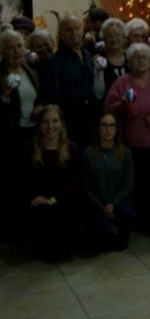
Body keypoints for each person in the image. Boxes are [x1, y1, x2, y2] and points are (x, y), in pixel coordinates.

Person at [105, 42, 150, 231]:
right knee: (134, 183)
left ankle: (149, 218)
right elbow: (109, 108)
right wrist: (123, 104)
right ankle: (135, 219)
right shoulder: (122, 82)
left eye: (144, 57)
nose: (141, 60)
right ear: (129, 62)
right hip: (130, 143)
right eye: (136, 58)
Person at [22, 105, 80, 263]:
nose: (50, 126)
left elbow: (76, 181)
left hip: (63, 200)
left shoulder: (71, 148)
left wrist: (55, 199)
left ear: (61, 123)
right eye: (45, 122)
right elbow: (22, 180)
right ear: (39, 124)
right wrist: (32, 199)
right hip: (39, 201)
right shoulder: (28, 149)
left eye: (55, 121)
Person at [0, 29, 42, 241]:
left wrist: (40, 107)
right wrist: (5, 97)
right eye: (11, 47)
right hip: (11, 137)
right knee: (13, 182)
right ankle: (13, 231)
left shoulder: (30, 70)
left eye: (19, 46)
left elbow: (37, 96)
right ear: (2, 51)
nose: (16, 51)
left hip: (32, 133)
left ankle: (32, 228)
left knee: (31, 180)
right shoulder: (1, 74)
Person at [81, 111, 134, 251]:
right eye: (104, 125)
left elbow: (128, 185)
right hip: (96, 204)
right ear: (98, 128)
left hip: (118, 202)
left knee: (128, 212)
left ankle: (119, 232)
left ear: (117, 128)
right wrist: (102, 207)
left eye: (112, 125)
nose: (108, 129)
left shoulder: (125, 153)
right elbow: (85, 187)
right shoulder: (87, 153)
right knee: (100, 234)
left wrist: (112, 204)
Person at [49, 16, 95, 148]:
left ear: (83, 30)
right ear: (60, 34)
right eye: (68, 30)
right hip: (70, 118)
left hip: (91, 115)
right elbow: (54, 97)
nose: (74, 33)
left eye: (77, 28)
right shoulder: (56, 61)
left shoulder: (88, 55)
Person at [93, 18, 128, 103]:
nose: (113, 39)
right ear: (104, 40)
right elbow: (98, 95)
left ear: (123, 38)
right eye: (109, 36)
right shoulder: (99, 61)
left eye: (117, 35)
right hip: (108, 107)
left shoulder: (131, 58)